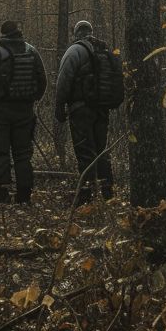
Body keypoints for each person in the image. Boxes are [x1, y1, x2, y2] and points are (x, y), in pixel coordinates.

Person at [0, 20, 46, 204]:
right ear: (19, 32)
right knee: (23, 155)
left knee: (0, 154)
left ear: (2, 34)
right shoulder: (31, 51)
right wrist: (31, 99)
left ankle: (2, 194)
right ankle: (24, 195)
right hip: (24, 112)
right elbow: (42, 81)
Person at [55, 20, 118, 205]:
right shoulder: (104, 51)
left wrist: (59, 105)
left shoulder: (75, 50)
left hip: (81, 110)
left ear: (76, 33)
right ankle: (108, 195)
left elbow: (64, 79)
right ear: (91, 32)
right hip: (102, 109)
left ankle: (85, 197)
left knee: (84, 151)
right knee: (101, 151)